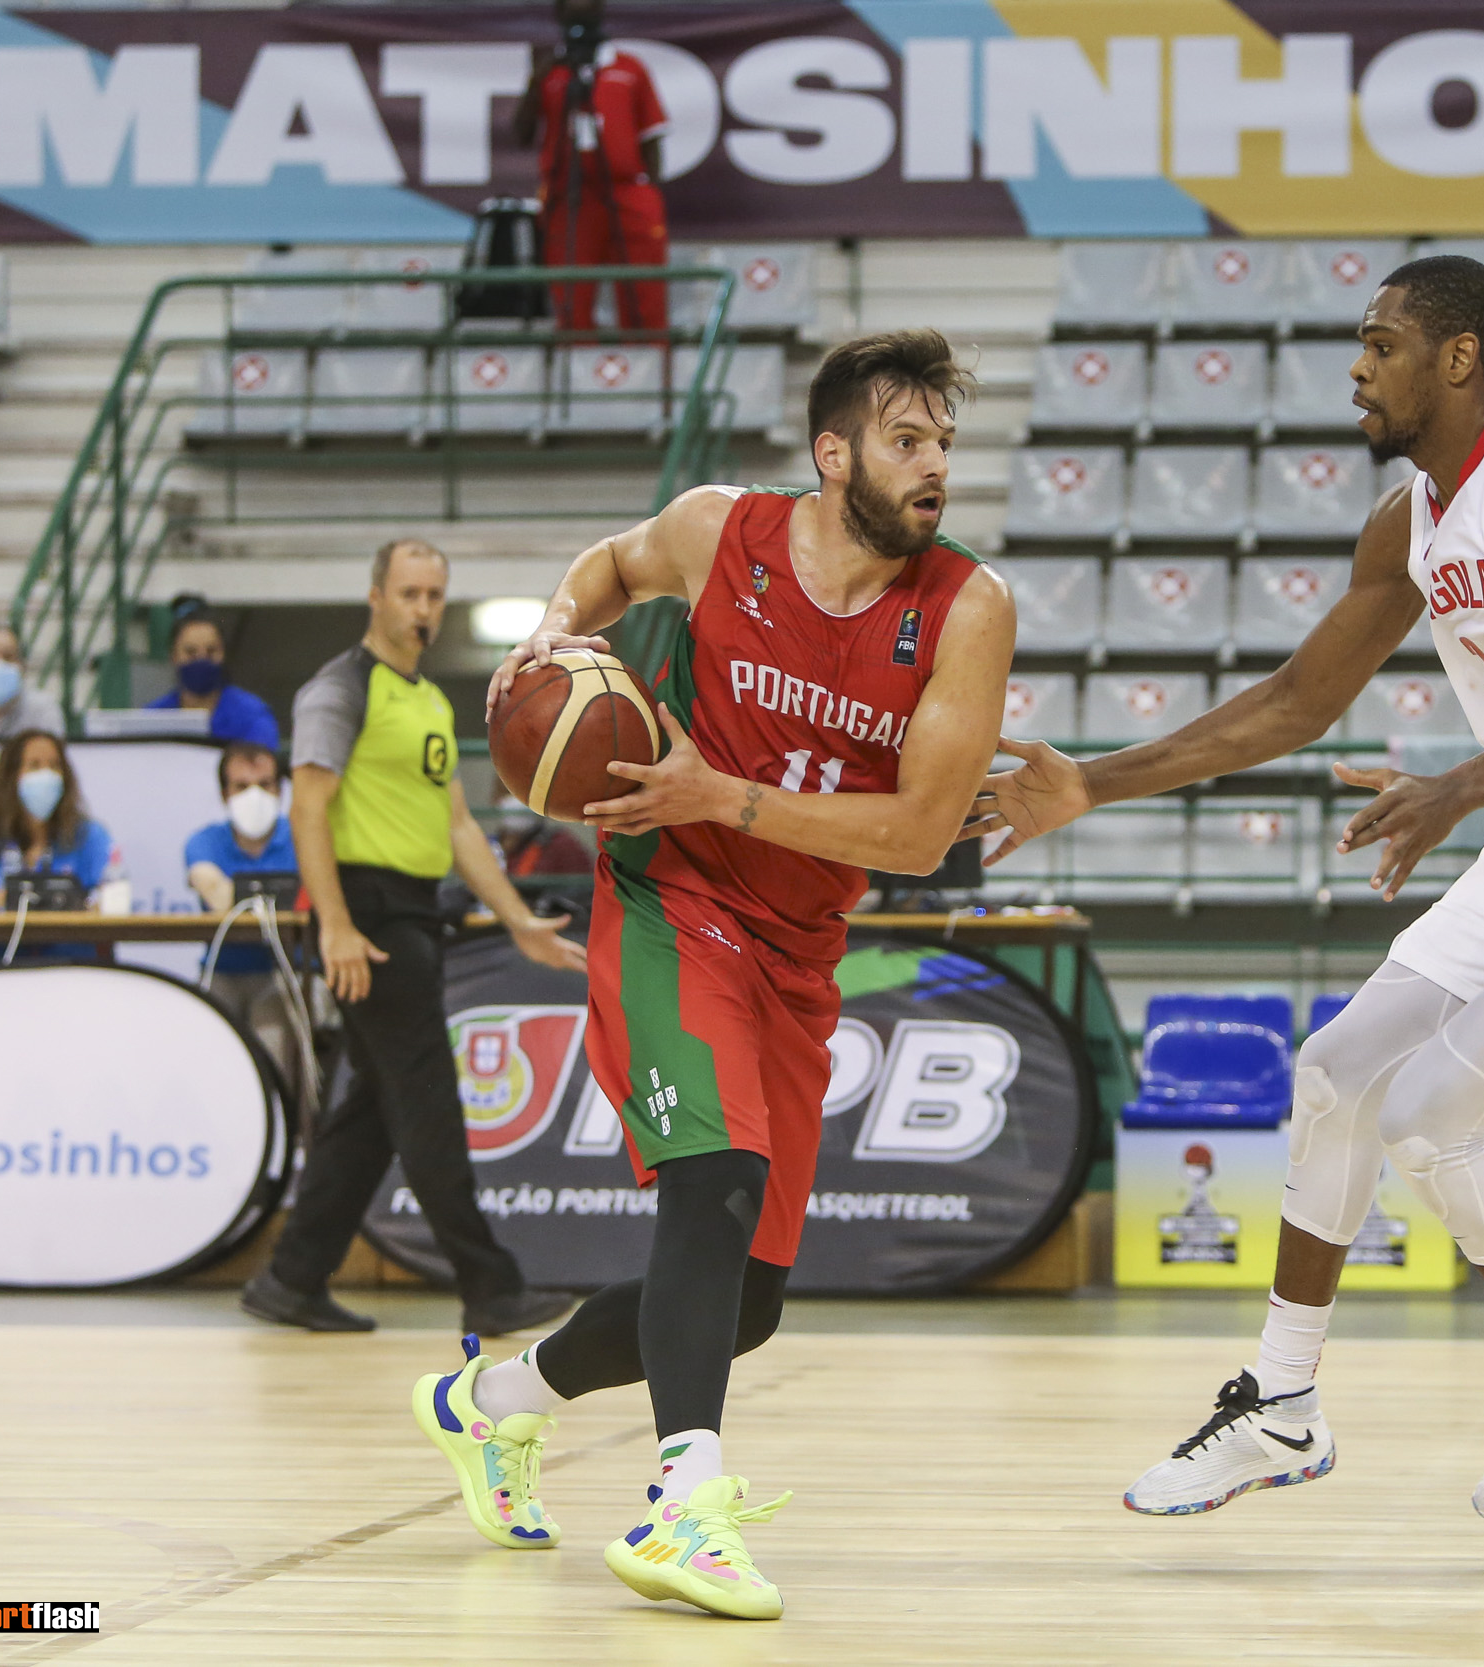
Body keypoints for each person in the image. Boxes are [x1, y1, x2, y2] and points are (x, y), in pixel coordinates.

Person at [975, 256, 1484, 1527]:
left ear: (1457, 356)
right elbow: (1296, 702)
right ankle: (1281, 1402)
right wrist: (1093, 780)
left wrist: (1456, 786)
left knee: (1430, 1112)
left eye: (1380, 344)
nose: (1356, 368)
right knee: (1340, 1069)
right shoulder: (1410, 520)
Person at [409, 330, 1009, 1622]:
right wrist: (553, 638)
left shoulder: (966, 606)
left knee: (744, 1309)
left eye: (946, 446)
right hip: (671, 896)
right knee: (716, 1177)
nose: (937, 468)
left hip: (798, 943)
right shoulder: (716, 531)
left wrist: (720, 786)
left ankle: (486, 1401)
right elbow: (612, 569)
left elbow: (912, 836)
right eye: (911, 441)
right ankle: (686, 1499)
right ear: (835, 451)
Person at [241, 539, 583, 1340]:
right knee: (426, 1104)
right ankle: (490, 1285)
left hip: (414, 911)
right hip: (367, 912)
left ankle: (292, 1276)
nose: (423, 608)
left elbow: (459, 823)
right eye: (409, 593)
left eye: (435, 594)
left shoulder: (426, 701)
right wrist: (336, 924)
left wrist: (518, 918)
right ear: (376, 596)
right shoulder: (341, 687)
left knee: (370, 1114)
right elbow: (307, 810)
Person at [513, 0, 669, 333]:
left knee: (644, 296)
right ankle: (581, 375)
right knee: (571, 302)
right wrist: (536, 82)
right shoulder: (551, 71)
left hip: (626, 190)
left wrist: (650, 194)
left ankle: (648, 374)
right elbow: (521, 134)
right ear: (558, 13)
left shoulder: (629, 68)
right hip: (570, 197)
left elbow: (652, 138)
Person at [186, 740, 309, 1095]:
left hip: (283, 972)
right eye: (241, 786)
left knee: (272, 1048)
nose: (254, 795)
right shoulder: (203, 841)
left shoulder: (304, 837)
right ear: (225, 794)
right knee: (209, 1051)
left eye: (265, 784)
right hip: (221, 974)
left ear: (280, 788)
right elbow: (219, 898)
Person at [0, 729, 122, 964]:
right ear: (11, 777)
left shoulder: (90, 835)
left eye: (54, 766)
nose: (47, 774)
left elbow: (111, 902)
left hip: (73, 968)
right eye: (34, 766)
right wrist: (22, 899)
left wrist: (71, 903)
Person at [145, 610, 280, 748]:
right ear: (174, 656)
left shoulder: (252, 716)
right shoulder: (152, 718)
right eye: (191, 652)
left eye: (211, 651)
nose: (202, 659)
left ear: (223, 654)